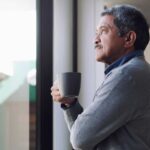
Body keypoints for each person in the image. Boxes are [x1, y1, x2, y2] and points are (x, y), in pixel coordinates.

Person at [51, 4, 150, 150]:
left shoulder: (126, 76)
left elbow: (80, 138)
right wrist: (70, 103)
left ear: (129, 38)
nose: (95, 40)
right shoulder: (139, 71)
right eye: (96, 32)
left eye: (103, 31)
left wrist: (71, 106)